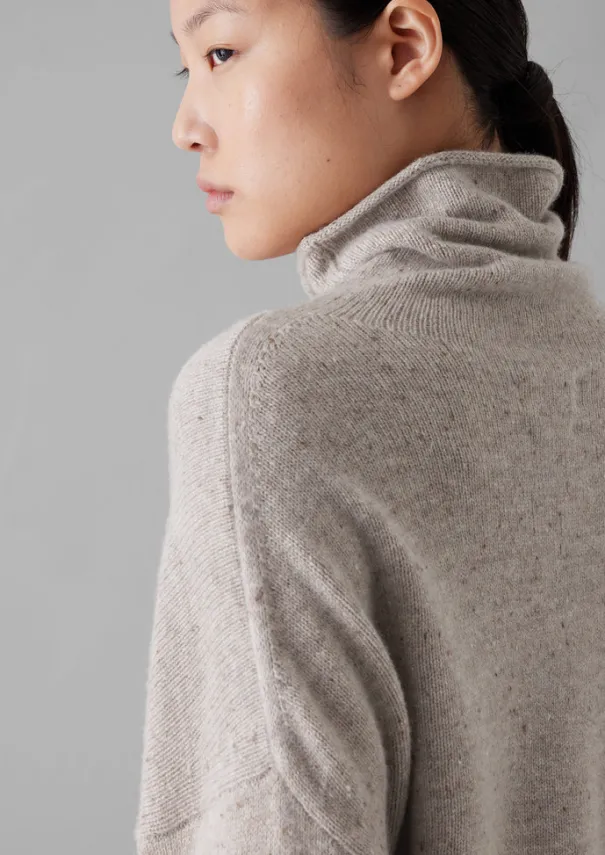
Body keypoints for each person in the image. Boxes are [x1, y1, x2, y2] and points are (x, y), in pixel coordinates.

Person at [135, 1, 605, 853]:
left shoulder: (270, 391)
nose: (185, 126)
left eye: (223, 52)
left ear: (403, 47)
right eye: (187, 65)